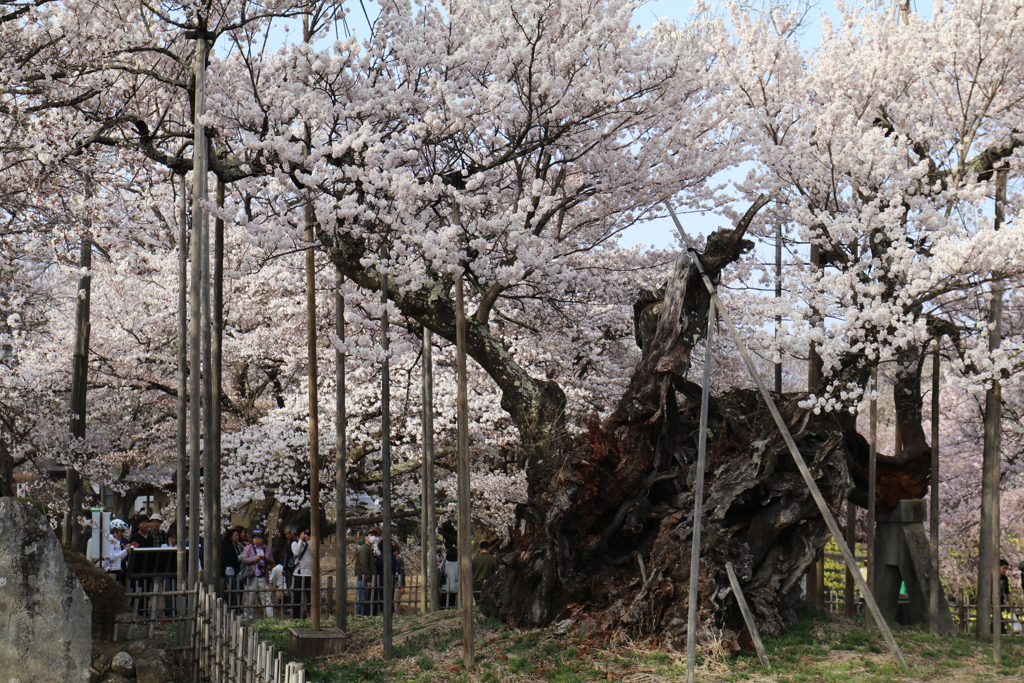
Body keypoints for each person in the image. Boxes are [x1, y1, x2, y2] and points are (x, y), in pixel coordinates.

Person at [241, 530, 276, 619]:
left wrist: (268, 559)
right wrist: (255, 558)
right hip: (251, 576)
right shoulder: (248, 548)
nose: (256, 540)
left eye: (259, 538)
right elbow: (244, 559)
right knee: (249, 598)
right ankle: (248, 617)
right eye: (255, 538)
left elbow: (272, 562)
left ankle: (269, 617)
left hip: (263, 576)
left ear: (263, 539)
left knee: (266, 598)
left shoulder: (267, 548)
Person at [354, 530, 379, 616]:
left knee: (367, 601)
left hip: (368, 579)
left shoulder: (369, 549)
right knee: (362, 601)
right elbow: (364, 565)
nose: (373, 537)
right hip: (363, 579)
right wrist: (368, 579)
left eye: (374, 535)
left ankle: (365, 617)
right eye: (371, 535)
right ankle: (359, 617)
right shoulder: (364, 549)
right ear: (366, 537)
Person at [291, 528, 312, 619]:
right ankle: (296, 617)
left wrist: (310, 540)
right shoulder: (295, 544)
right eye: (304, 533)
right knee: (297, 596)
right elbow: (296, 552)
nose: (305, 535)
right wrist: (300, 540)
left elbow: (315, 551)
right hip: (298, 573)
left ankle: (310, 615)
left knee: (310, 596)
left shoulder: (310, 544)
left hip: (310, 573)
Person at [103, 519, 132, 585]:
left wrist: (126, 551)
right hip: (111, 570)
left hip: (117, 570)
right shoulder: (110, 540)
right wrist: (125, 551)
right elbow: (111, 557)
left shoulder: (116, 541)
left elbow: (119, 558)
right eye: (121, 531)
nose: (122, 534)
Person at [221, 528, 242, 610]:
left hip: (236, 571)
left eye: (238, 535)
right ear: (230, 537)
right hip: (230, 572)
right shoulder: (229, 547)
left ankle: (235, 609)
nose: (237, 537)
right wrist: (241, 556)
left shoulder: (237, 547)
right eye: (235, 535)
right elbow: (232, 560)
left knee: (235, 592)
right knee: (233, 592)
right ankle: (233, 610)